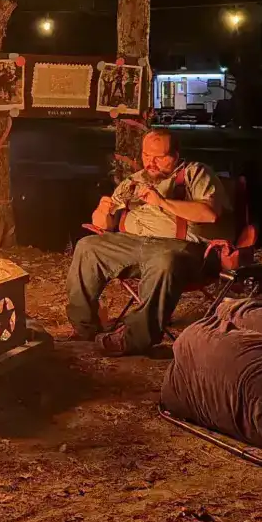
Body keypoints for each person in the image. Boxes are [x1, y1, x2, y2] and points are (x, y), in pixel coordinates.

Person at [67, 129, 231, 356]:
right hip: (132, 243)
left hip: (178, 247)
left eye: (159, 157)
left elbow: (209, 213)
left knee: (165, 261)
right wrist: (103, 211)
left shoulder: (195, 173)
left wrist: (162, 202)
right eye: (146, 155)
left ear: (175, 154)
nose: (150, 163)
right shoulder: (134, 181)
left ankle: (135, 339)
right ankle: (84, 329)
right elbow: (102, 223)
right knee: (87, 246)